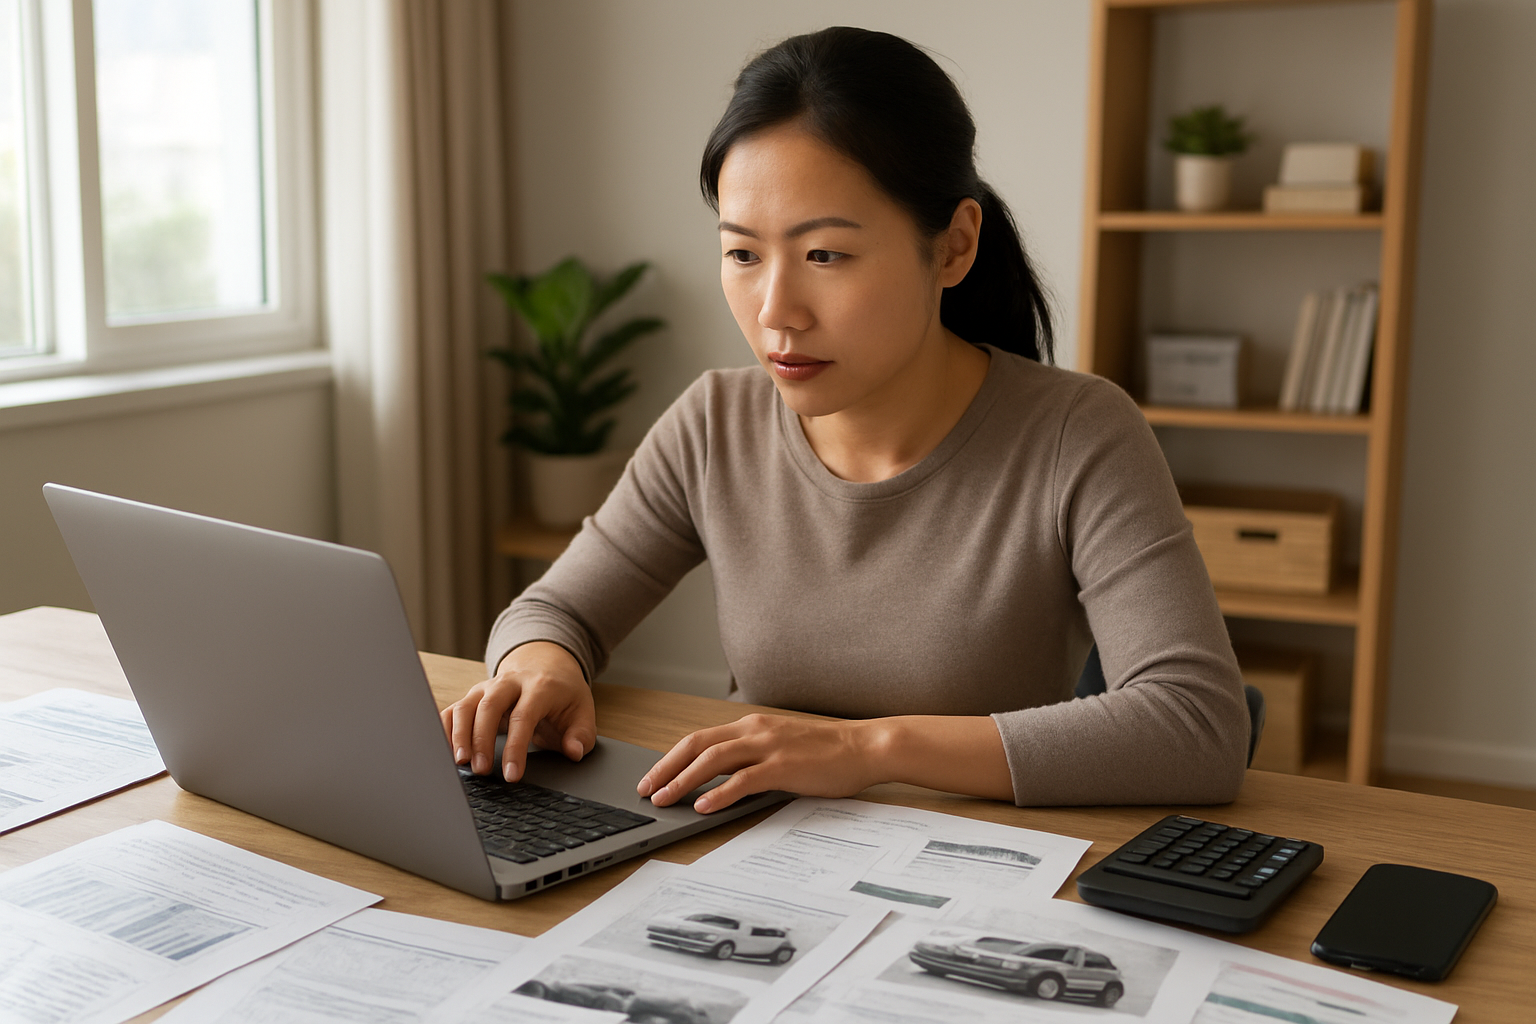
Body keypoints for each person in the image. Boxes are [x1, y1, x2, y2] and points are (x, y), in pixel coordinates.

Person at [442, 26, 1248, 812]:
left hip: (978, 873)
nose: (774, 312)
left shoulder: (1078, 433)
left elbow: (1196, 723)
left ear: (954, 247)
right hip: (750, 853)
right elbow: (558, 610)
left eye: (824, 254)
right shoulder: (714, 423)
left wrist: (868, 752)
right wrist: (540, 668)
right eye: (742, 253)